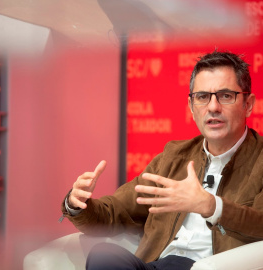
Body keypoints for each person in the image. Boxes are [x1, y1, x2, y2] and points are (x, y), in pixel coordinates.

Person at [60, 50, 263, 270]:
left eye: (225, 96)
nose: (213, 107)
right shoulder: (174, 157)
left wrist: (212, 206)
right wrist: (78, 205)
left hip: (209, 266)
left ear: (248, 104)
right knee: (103, 256)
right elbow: (118, 210)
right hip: (157, 265)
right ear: (191, 106)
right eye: (203, 97)